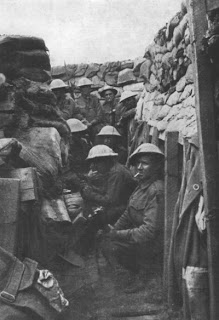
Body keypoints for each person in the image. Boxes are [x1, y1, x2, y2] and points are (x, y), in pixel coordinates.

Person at [101, 143, 164, 293]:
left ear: (156, 166)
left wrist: (118, 235)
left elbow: (149, 232)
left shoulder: (156, 190)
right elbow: (128, 212)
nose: (140, 167)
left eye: (145, 163)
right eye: (138, 163)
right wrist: (114, 229)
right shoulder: (141, 186)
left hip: (152, 246)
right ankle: (132, 274)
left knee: (112, 247)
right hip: (140, 240)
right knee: (105, 241)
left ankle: (142, 276)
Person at [62, 118, 92, 192]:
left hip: (84, 173)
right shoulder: (64, 148)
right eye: (75, 134)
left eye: (80, 133)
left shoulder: (84, 143)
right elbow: (66, 171)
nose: (78, 135)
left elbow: (90, 161)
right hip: (70, 177)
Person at [74, 77, 103, 142]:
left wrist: (92, 123)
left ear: (90, 88)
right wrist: (85, 121)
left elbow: (100, 114)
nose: (85, 89)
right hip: (84, 126)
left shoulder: (95, 99)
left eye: (87, 87)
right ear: (80, 89)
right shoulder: (77, 101)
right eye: (83, 87)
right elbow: (77, 114)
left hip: (96, 125)